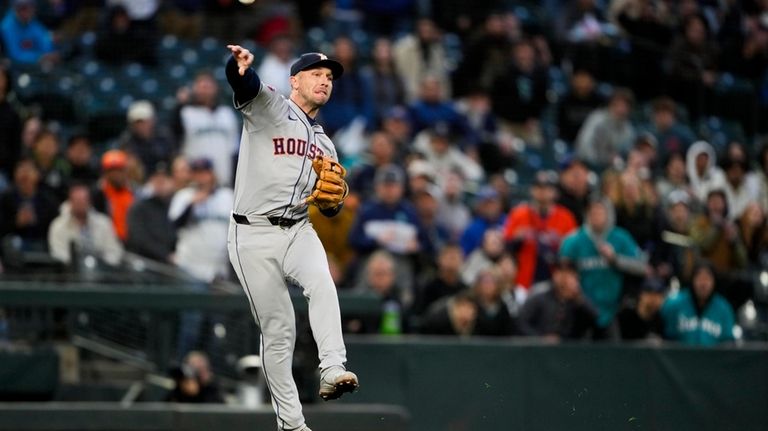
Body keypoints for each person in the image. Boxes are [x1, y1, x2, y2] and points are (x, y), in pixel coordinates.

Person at [224, 45, 358, 431]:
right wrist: (238, 68)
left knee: (322, 282)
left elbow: (329, 206)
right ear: (294, 80)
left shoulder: (325, 144)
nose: (324, 80)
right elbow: (245, 85)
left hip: (298, 228)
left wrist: (337, 199)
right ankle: (292, 424)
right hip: (251, 234)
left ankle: (333, 367)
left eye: (329, 77)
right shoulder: (270, 108)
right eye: (316, 73)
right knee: (279, 329)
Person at [559, 196, 646, 338]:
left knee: (612, 352)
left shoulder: (620, 237)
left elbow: (642, 267)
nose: (596, 216)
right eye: (593, 212)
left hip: (613, 308)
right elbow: (562, 270)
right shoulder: (574, 240)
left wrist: (615, 259)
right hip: (581, 308)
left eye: (600, 212)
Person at [503, 170, 578, 290]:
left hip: (555, 279)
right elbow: (506, 248)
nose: (542, 192)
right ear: (532, 190)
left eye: (547, 188)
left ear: (555, 192)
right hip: (523, 280)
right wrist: (517, 239)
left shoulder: (566, 217)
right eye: (539, 187)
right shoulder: (518, 214)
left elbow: (573, 251)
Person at [174, 71, 240, 187]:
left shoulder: (227, 114)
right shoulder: (185, 113)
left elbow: (234, 150)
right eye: (201, 86)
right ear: (194, 89)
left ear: (216, 88)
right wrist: (179, 105)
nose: (204, 90)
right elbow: (175, 139)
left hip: (224, 181)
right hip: (194, 182)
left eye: (208, 86)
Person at [517, 260, 598, 341]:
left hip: (571, 348)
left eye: (569, 273)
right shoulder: (540, 298)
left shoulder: (578, 301)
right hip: (540, 348)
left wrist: (579, 298)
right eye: (560, 272)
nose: (564, 278)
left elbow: (595, 320)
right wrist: (540, 339)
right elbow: (522, 323)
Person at [660, 261, 736, 346]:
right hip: (680, 357)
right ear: (692, 280)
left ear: (714, 281)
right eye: (699, 278)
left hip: (714, 358)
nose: (703, 284)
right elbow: (666, 338)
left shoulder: (724, 308)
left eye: (707, 279)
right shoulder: (674, 304)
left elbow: (728, 343)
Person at [48, 182, 124, 267]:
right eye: (77, 201)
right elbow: (58, 254)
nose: (80, 204)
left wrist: (102, 264)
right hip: (69, 274)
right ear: (70, 202)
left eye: (83, 200)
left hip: (103, 273)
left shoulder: (104, 223)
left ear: (89, 202)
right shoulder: (58, 225)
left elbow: (114, 251)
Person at [126, 164, 177, 263]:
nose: (160, 184)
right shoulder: (140, 207)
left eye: (164, 180)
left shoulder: (173, 206)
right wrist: (165, 255)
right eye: (157, 180)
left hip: (168, 266)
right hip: (145, 264)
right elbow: (139, 239)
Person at [118, 100, 177, 178]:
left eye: (143, 121)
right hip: (141, 178)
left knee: (179, 163)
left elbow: (173, 156)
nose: (141, 126)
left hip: (165, 175)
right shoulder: (127, 140)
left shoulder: (164, 135)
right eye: (137, 122)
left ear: (152, 120)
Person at [0, 0, 58, 65]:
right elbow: (15, 55)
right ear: (14, 8)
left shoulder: (32, 22)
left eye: (31, 6)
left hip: (38, 64)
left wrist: (50, 53)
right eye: (23, 8)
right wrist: (39, 57)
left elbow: (44, 41)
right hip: (16, 67)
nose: (28, 11)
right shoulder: (6, 26)